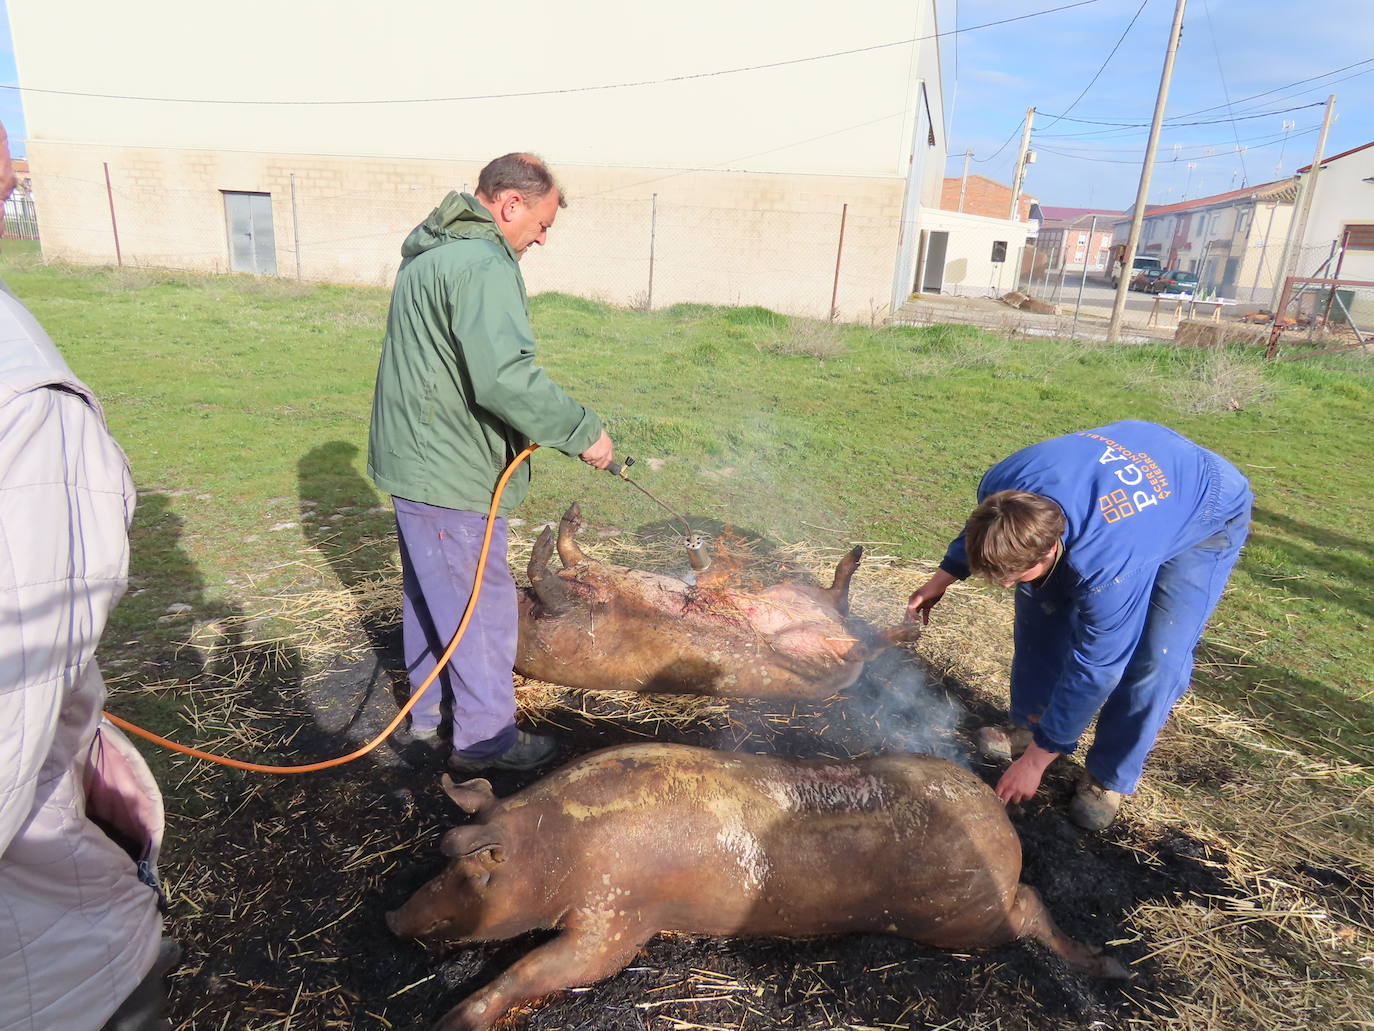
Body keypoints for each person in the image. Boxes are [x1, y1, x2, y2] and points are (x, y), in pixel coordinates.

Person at [0, 121, 179, 1030]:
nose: (541, 238)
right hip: (45, 974)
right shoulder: (26, 409)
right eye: (539, 224)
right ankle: (472, 732)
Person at [368, 153, 613, 773]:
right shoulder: (482, 265)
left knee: (433, 594)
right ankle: (486, 744)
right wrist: (583, 431)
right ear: (510, 205)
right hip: (450, 470)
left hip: (416, 461)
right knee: (480, 609)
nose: (543, 236)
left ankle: (426, 718)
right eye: (542, 221)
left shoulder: (434, 254)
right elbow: (504, 378)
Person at [906, 420, 1252, 830]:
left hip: (1204, 506)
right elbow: (986, 528)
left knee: (1156, 658)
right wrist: (943, 576)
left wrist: (1036, 764)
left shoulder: (1106, 567)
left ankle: (1108, 777)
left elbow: (1098, 667)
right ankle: (1032, 724)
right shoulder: (1002, 485)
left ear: (1052, 546)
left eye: (1014, 573)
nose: (1002, 584)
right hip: (1129, 464)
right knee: (1040, 606)